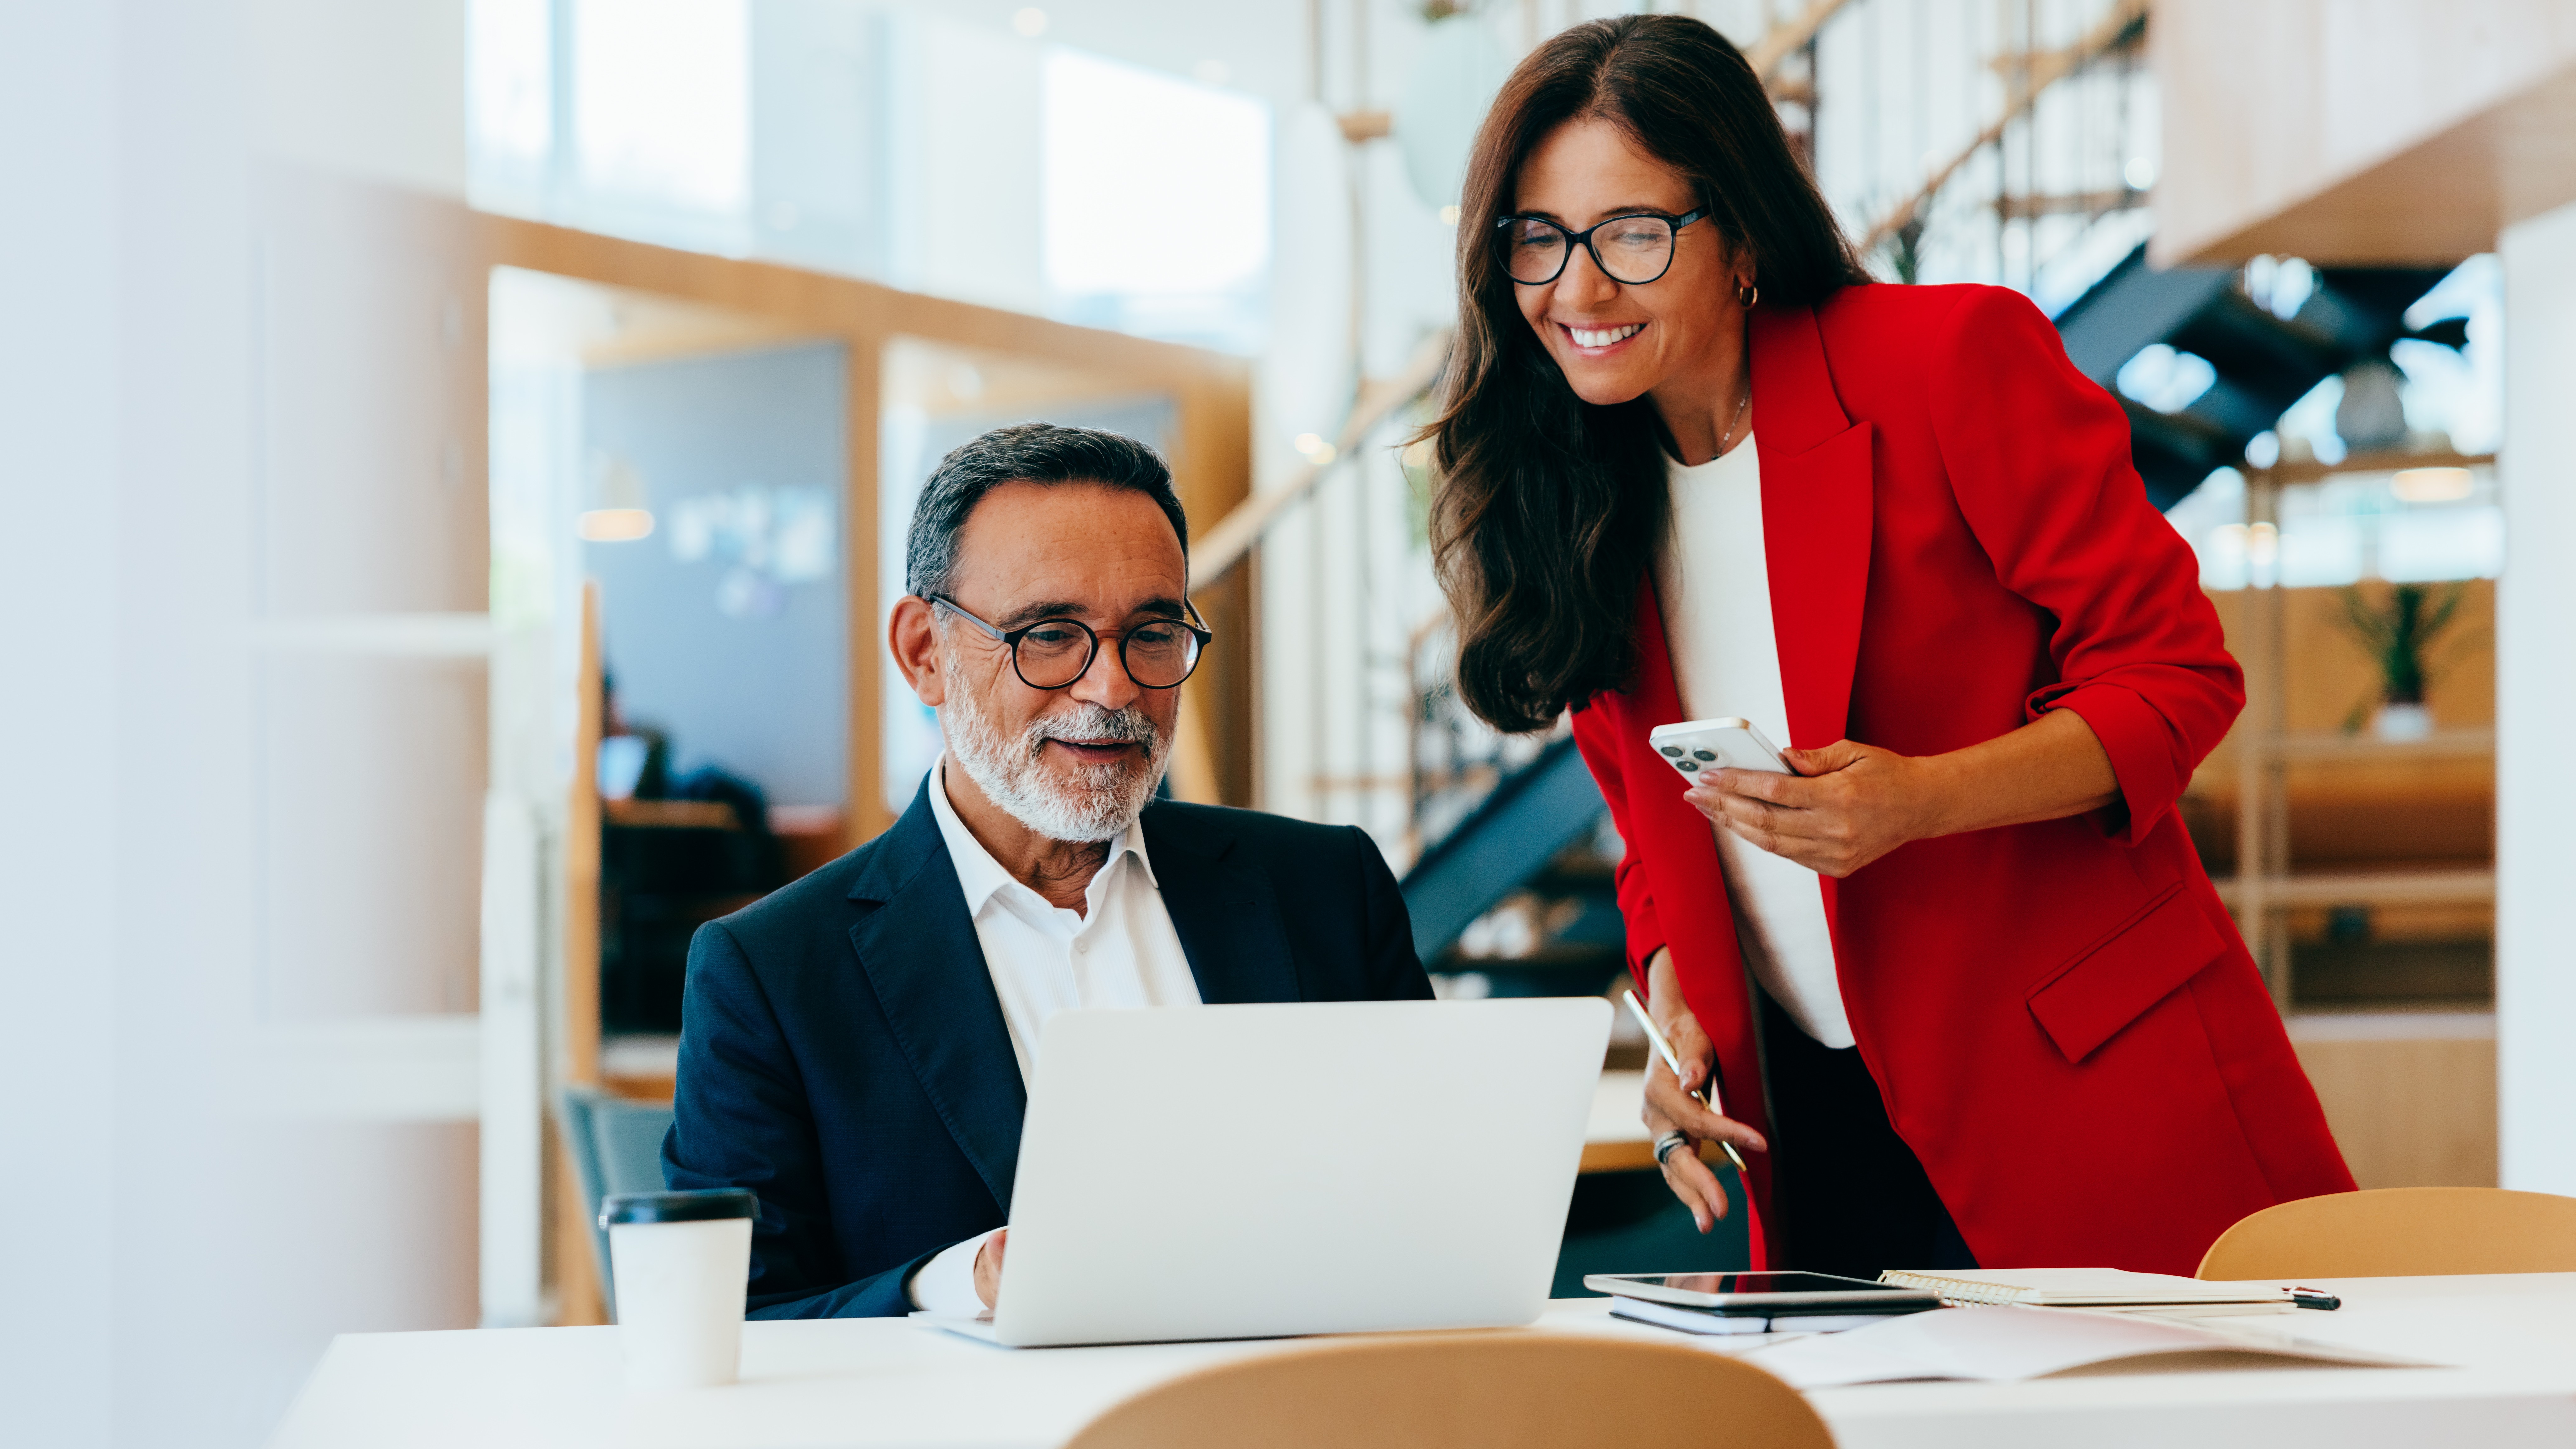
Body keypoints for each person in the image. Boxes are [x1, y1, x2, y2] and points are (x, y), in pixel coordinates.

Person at [1426, 15, 2351, 1280]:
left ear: (1739, 230)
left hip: (2078, 1090)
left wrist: (1916, 800)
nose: (1574, 290)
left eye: (1631, 234)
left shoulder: (1943, 360)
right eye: (1535, 239)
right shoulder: (1577, 489)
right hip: (1809, 1129)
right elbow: (1652, 830)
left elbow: (2175, 676)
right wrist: (1673, 997)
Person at [664, 423, 1432, 1318]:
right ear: (924, 653)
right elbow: (731, 1323)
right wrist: (964, 1282)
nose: (1111, 689)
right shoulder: (774, 975)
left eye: (1152, 633)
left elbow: (1427, 1204)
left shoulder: (1326, 890)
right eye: (1050, 635)